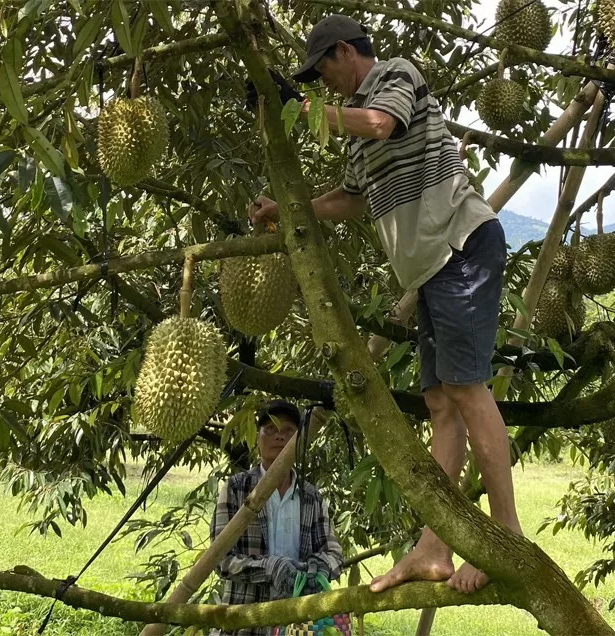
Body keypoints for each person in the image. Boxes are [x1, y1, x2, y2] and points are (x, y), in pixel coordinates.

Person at [248, 14, 523, 595]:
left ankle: (507, 539)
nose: (325, 87)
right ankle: (433, 545)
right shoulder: (352, 129)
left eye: (323, 71)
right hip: (430, 272)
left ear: (345, 51)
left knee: (470, 393)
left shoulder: (396, 75)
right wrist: (286, 209)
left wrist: (300, 110)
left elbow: (380, 122)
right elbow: (350, 199)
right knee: (441, 405)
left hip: (461, 247)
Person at [209, 400, 344, 636]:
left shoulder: (310, 496)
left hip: (297, 624)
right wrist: (269, 567)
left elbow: (333, 553)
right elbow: (220, 560)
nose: (279, 437)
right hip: (243, 621)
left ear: (299, 442)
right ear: (257, 439)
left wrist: (316, 568)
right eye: (270, 429)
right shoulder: (236, 490)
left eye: (288, 431)